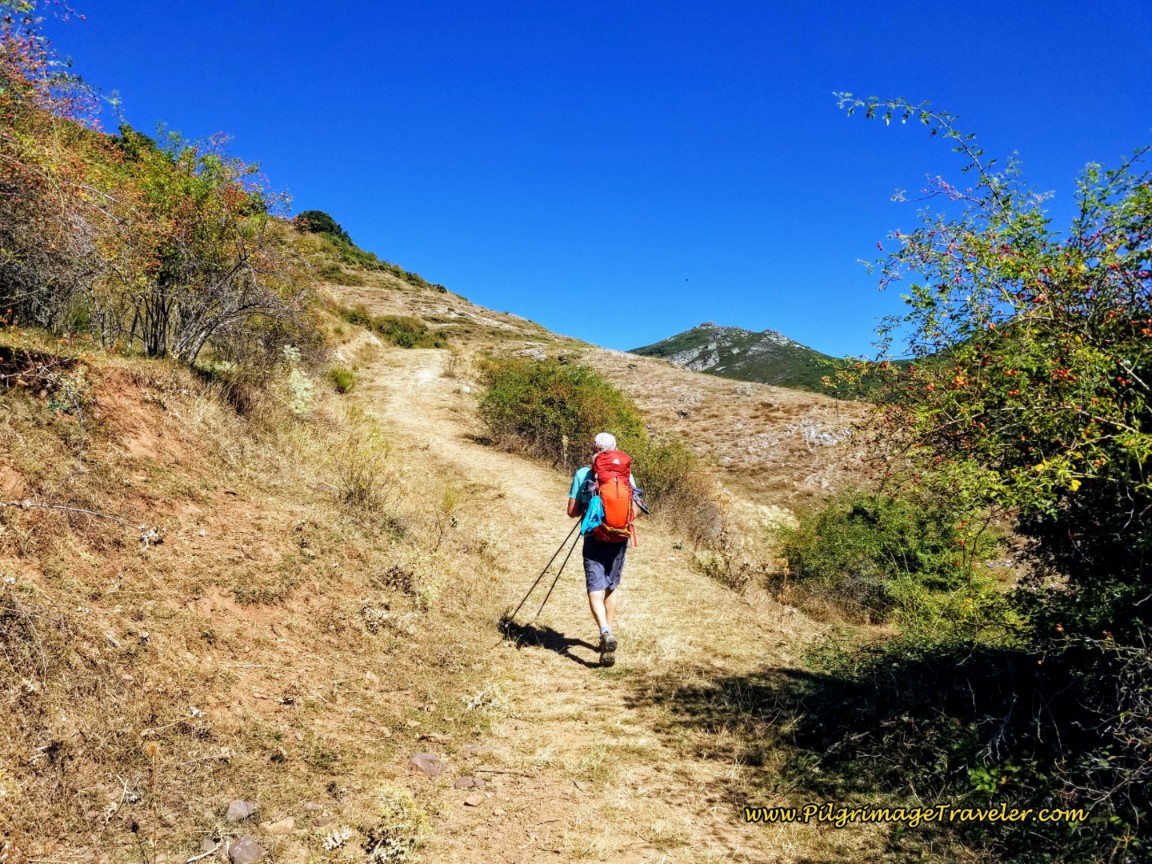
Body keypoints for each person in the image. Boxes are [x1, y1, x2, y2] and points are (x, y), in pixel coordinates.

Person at [566, 431, 635, 667]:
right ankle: (607, 633)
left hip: (595, 537)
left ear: (592, 448)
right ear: (615, 449)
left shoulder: (583, 473)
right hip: (619, 538)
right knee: (611, 585)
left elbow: (572, 511)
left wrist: (590, 509)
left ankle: (605, 632)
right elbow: (634, 510)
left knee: (594, 587)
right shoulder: (625, 475)